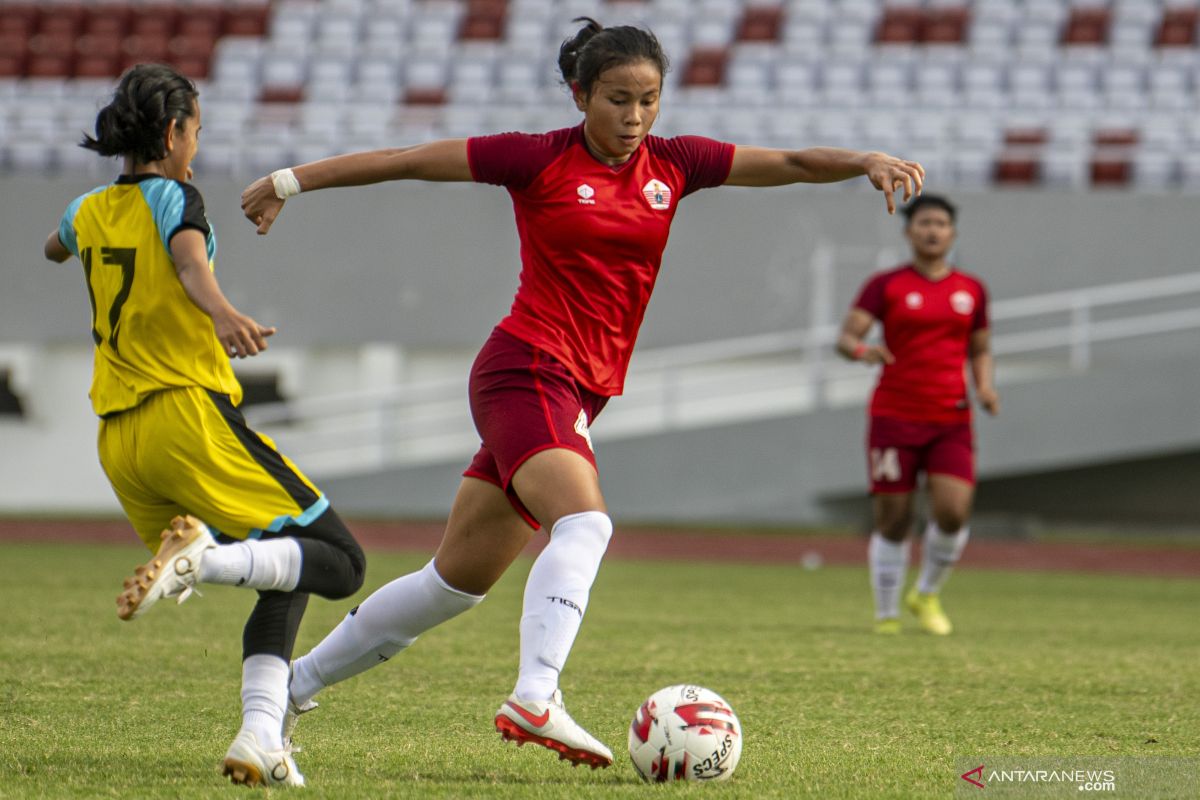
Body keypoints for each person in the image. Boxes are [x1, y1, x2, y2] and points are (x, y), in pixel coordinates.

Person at [240, 18, 925, 769]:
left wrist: (864, 159)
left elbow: (790, 160)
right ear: (580, 94)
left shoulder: (678, 164)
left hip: (574, 392)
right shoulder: (534, 159)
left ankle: (282, 700)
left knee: (453, 585)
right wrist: (288, 182)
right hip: (527, 368)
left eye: (648, 100)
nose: (634, 119)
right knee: (587, 525)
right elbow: (407, 160)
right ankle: (537, 693)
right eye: (617, 100)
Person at [43, 63, 366, 787]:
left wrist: (80, 239)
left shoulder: (88, 208)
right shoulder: (174, 195)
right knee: (341, 561)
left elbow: (53, 247)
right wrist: (223, 312)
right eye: (195, 132)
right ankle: (202, 559)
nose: (196, 147)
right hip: (186, 414)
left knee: (288, 566)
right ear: (171, 132)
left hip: (121, 442)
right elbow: (189, 262)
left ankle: (259, 735)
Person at [835, 194, 998, 636]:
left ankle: (926, 593)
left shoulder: (971, 290)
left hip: (951, 418)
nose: (932, 230)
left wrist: (984, 385)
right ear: (909, 231)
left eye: (941, 223)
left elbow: (980, 348)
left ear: (952, 233)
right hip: (894, 415)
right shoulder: (884, 285)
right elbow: (846, 338)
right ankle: (886, 614)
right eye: (924, 222)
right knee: (895, 518)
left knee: (952, 512)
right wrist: (863, 350)